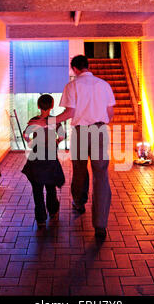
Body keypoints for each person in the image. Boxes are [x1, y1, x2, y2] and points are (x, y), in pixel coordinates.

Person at [28, 55, 115, 240]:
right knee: (101, 176)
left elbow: (69, 113)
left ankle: (79, 202)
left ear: (74, 68)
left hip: (81, 132)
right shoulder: (104, 85)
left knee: (80, 170)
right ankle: (100, 225)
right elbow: (110, 113)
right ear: (87, 66)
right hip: (100, 130)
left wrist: (47, 122)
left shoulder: (72, 86)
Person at [22, 94, 66, 228]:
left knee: (37, 189)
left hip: (36, 157)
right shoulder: (54, 121)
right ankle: (53, 211)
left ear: (38, 106)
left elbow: (25, 135)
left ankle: (40, 218)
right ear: (52, 106)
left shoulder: (34, 120)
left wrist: (30, 142)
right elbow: (63, 136)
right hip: (50, 157)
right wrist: (56, 141)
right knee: (51, 187)